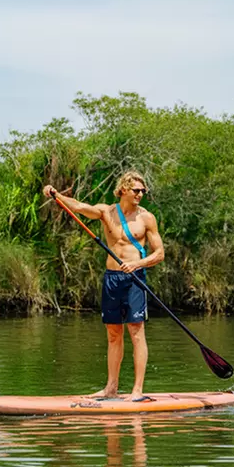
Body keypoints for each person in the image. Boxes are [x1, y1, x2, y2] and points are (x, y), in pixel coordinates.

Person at [43, 171, 164, 401]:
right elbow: (78, 206)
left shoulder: (146, 218)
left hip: (134, 280)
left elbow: (159, 254)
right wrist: (56, 195)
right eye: (136, 190)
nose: (140, 194)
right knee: (112, 334)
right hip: (111, 278)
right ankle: (111, 388)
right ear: (123, 190)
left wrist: (137, 263)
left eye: (143, 191)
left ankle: (137, 391)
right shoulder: (107, 212)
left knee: (136, 333)